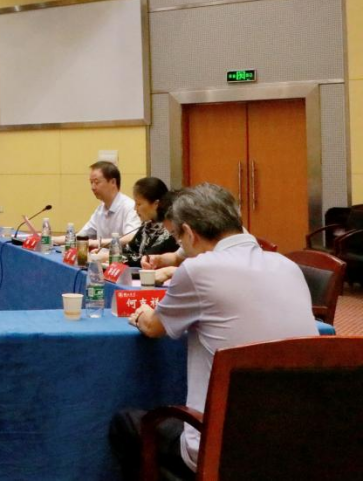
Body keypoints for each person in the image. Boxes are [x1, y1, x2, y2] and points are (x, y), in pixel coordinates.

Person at [109, 183, 318, 480]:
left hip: (221, 446)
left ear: (189, 233)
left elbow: (154, 327)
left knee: (125, 423)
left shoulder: (198, 270)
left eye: (178, 238)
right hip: (295, 441)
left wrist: (141, 314)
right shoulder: (287, 266)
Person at [64, 161, 140, 248]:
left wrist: (97, 243)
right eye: (91, 182)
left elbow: (132, 237)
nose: (92, 187)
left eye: (96, 182)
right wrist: (53, 239)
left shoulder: (130, 207)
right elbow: (81, 236)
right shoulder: (100, 209)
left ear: (113, 182)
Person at [119, 179, 178, 267]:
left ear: (156, 204)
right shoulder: (147, 225)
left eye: (139, 204)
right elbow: (128, 251)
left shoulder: (169, 229)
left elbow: (146, 259)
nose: (135, 208)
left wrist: (115, 258)